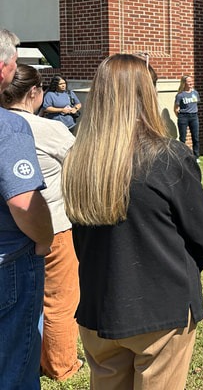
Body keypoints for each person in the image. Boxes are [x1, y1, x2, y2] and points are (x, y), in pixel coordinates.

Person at [62, 54, 203, 389]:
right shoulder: (169, 156)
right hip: (162, 308)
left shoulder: (78, 160)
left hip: (99, 305)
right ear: (146, 93)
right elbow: (201, 236)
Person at [2, 64, 82, 381]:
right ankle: (61, 364)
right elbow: (79, 169)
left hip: (10, 232)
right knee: (59, 299)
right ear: (34, 93)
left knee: (22, 302)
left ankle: (30, 357)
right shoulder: (50, 130)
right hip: (51, 225)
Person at [0, 29, 53, 389]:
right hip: (9, 264)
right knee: (14, 373)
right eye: (15, 60)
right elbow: (23, 201)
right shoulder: (9, 128)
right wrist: (45, 238)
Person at [174, 74, 200, 160]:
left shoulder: (195, 93)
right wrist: (180, 117)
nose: (191, 83)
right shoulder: (180, 95)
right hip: (183, 117)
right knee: (182, 138)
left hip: (194, 116)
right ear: (184, 83)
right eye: (189, 81)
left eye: (191, 81)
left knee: (195, 137)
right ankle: (182, 156)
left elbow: (195, 104)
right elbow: (176, 108)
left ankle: (196, 156)